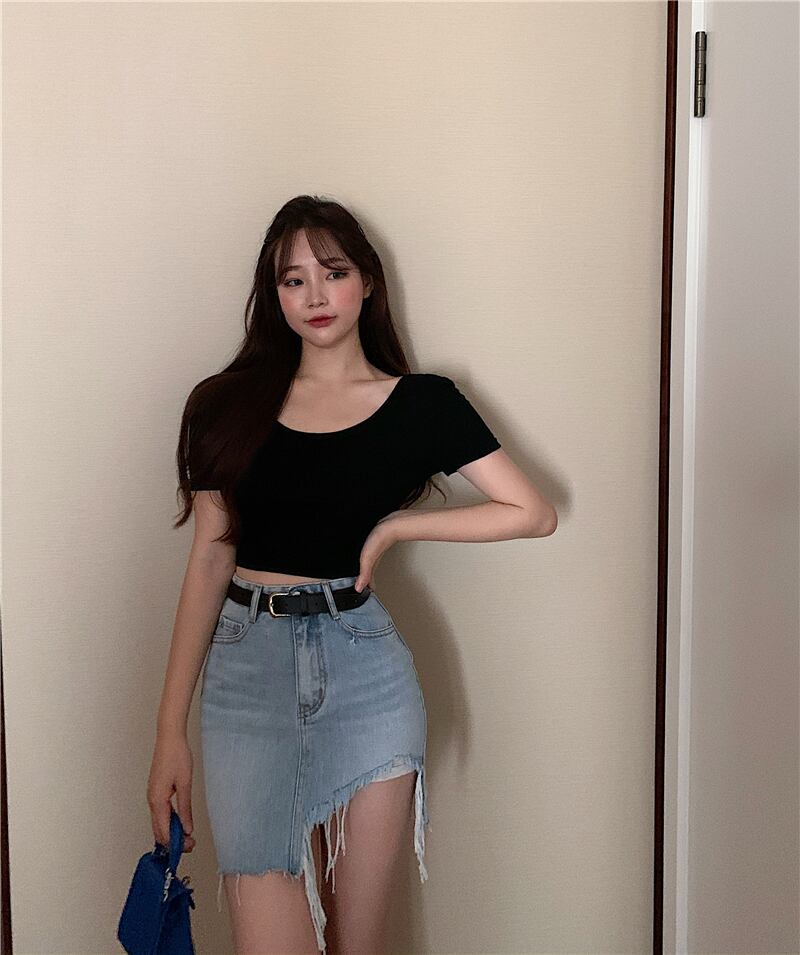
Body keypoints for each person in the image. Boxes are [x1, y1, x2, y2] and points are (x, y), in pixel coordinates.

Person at [147, 194, 558, 955]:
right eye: (293, 279)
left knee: (358, 944)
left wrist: (399, 525)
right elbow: (209, 555)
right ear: (275, 296)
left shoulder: (422, 404)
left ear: (367, 282)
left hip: (365, 673)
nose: (315, 295)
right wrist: (169, 730)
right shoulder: (224, 405)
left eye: (333, 272)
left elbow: (531, 511)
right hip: (246, 676)